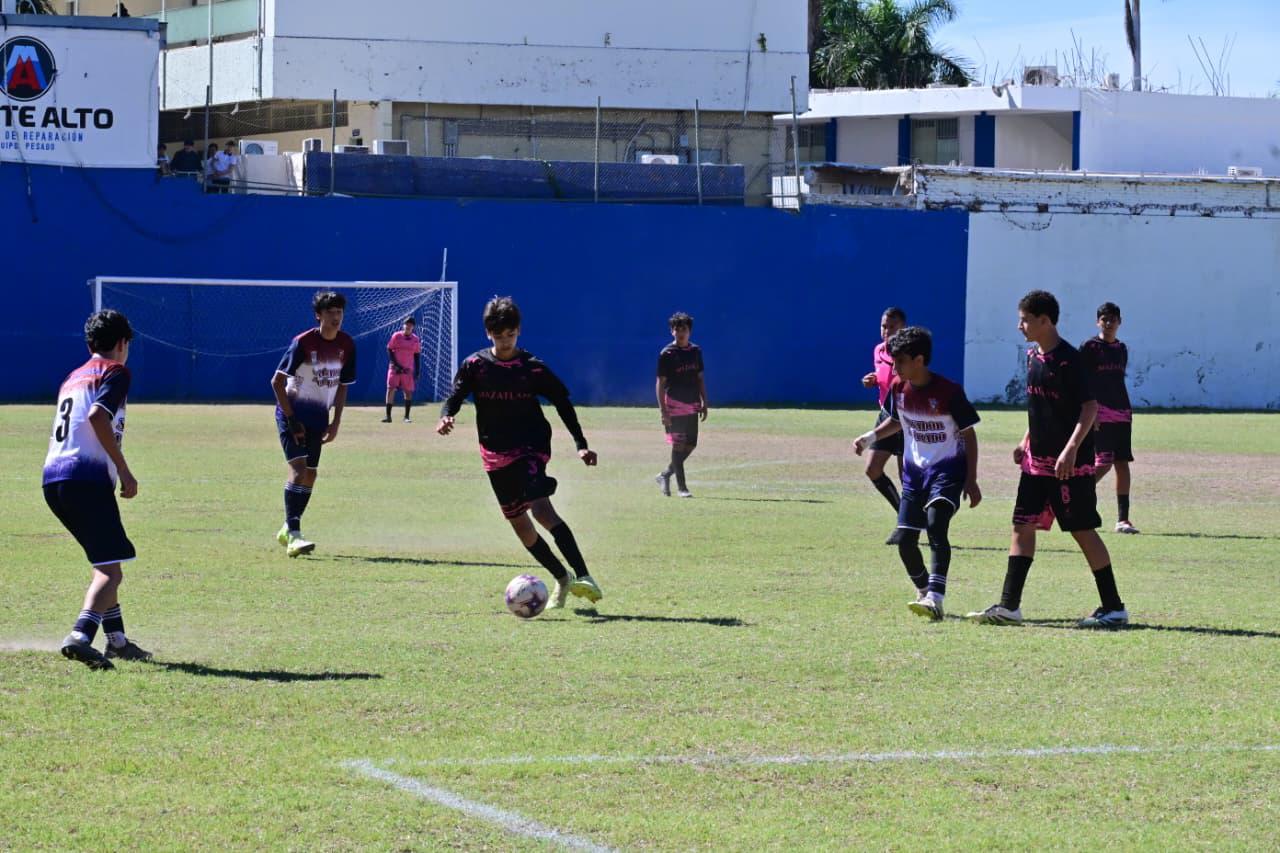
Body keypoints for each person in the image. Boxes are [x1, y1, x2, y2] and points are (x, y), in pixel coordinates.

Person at [967, 290, 1128, 628]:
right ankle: (1009, 606)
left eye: (1025, 319)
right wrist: (1024, 440)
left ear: (1045, 320)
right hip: (1035, 464)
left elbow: (1089, 408)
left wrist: (1071, 449)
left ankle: (1114, 608)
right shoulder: (1032, 358)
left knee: (1083, 531)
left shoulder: (1071, 360)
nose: (1019, 325)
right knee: (1021, 525)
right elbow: (1040, 407)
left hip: (1069, 466)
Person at [437, 296, 603, 611]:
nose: (504, 342)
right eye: (499, 337)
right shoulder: (475, 365)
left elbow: (563, 402)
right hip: (493, 453)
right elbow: (456, 395)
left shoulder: (532, 368)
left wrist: (580, 443)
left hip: (530, 447)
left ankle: (584, 574)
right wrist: (447, 415)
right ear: (488, 333)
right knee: (521, 527)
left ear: (518, 332)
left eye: (510, 336)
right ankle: (562, 578)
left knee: (541, 511)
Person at [44, 310, 151, 670]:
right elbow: (97, 417)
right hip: (84, 480)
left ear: (90, 343)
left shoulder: (73, 377)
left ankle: (117, 640)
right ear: (123, 344)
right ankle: (80, 635)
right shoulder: (115, 371)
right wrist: (124, 470)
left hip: (54, 480)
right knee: (111, 572)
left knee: (106, 560)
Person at [854, 326, 981, 621]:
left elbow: (969, 435)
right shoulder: (899, 388)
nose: (894, 368)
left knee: (937, 525)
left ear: (919, 360)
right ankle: (925, 590)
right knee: (905, 541)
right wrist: (869, 438)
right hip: (914, 475)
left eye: (899, 361)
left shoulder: (949, 392)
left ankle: (936, 597)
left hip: (947, 472)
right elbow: (896, 421)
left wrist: (971, 479)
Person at [271, 291, 357, 557]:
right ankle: (294, 535)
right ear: (318, 315)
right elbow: (276, 382)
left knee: (311, 474)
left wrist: (335, 423)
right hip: (293, 415)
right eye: (330, 313)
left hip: (319, 418)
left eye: (339, 313)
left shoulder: (347, 345)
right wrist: (292, 419)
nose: (336, 318)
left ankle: (288, 526)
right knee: (298, 470)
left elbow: (343, 386)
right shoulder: (303, 343)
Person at [1081, 302, 1138, 534]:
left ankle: (1123, 519)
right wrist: (1089, 412)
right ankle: (1074, 494)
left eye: (1113, 319)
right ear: (1098, 322)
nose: (1109, 323)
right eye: (1104, 319)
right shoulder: (1089, 347)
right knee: (1103, 463)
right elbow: (1082, 381)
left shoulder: (1121, 348)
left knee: (1122, 464)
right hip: (1100, 413)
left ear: (1120, 322)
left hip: (1122, 412)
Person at [861, 307, 908, 544]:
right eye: (883, 326)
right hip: (886, 415)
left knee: (906, 476)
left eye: (892, 326)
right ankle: (904, 518)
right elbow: (884, 378)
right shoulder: (878, 350)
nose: (886, 331)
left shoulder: (909, 352)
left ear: (903, 327)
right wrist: (872, 380)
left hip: (908, 418)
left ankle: (909, 524)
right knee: (873, 469)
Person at [654, 312, 707, 498]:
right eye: (676, 329)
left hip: (692, 404)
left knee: (690, 445)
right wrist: (663, 411)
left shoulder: (696, 351)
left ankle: (665, 474)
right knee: (678, 446)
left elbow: (700, 378)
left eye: (683, 329)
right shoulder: (667, 354)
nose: (680, 332)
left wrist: (705, 401)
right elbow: (660, 383)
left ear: (689, 331)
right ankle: (682, 488)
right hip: (674, 405)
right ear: (671, 331)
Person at [383, 316, 421, 423]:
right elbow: (389, 349)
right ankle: (388, 416)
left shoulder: (415, 339)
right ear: (403, 325)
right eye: (406, 324)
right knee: (390, 389)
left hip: (407, 370)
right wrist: (395, 364)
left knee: (408, 392)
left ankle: (406, 417)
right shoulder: (396, 336)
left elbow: (417, 355)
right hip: (395, 368)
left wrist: (417, 370)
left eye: (410, 325)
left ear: (413, 327)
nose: (408, 326)